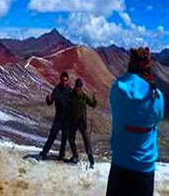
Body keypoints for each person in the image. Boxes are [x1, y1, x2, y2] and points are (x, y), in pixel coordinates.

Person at [106, 48, 164, 196]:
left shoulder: (117, 88)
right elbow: (158, 117)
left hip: (119, 165)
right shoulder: (156, 96)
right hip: (144, 169)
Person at [38, 71, 71, 160]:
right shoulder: (56, 90)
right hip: (58, 118)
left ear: (68, 81)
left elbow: (73, 102)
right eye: (63, 80)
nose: (64, 82)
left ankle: (61, 155)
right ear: (60, 80)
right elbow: (50, 102)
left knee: (64, 138)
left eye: (66, 80)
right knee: (52, 136)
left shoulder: (69, 90)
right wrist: (48, 99)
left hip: (66, 119)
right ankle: (44, 153)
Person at [68, 78, 96, 168]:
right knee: (71, 138)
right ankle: (75, 156)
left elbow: (92, 104)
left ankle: (90, 158)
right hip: (73, 120)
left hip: (82, 121)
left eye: (79, 87)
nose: (78, 89)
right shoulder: (71, 94)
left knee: (86, 140)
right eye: (77, 87)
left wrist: (94, 98)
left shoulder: (84, 96)